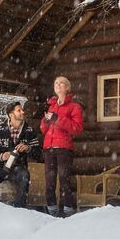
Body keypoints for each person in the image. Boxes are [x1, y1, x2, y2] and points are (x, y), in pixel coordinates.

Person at [39, 75, 85, 217]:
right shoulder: (51, 106)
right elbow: (43, 129)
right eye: (56, 83)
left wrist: (57, 119)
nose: (58, 85)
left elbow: (77, 128)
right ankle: (51, 210)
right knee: (49, 181)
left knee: (64, 180)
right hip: (49, 148)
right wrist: (47, 121)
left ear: (67, 87)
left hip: (64, 149)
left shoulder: (74, 107)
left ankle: (68, 210)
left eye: (61, 83)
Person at [0, 101, 41, 206]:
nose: (22, 112)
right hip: (0, 166)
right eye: (19, 110)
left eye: (22, 110)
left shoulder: (29, 131)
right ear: (11, 115)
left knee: (24, 177)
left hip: (18, 167)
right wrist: (1, 156)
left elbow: (38, 153)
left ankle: (19, 209)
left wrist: (28, 148)